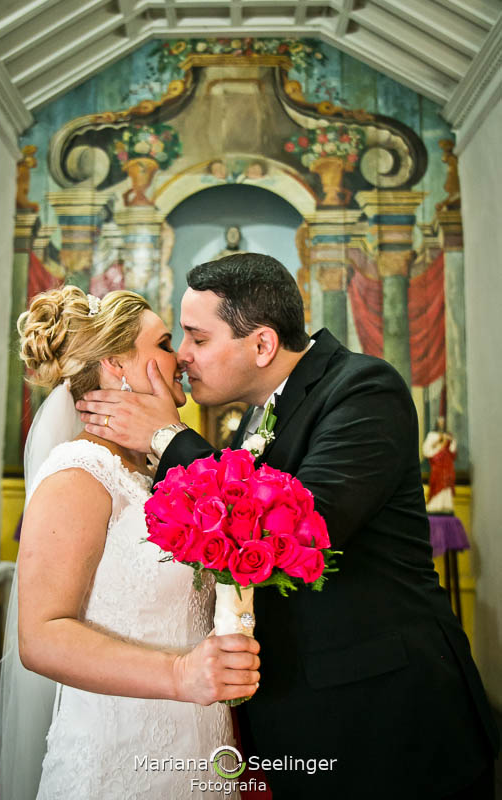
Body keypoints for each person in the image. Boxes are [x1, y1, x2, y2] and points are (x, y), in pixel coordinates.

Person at [77, 253, 499, 799]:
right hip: (303, 715)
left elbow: (301, 528)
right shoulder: (251, 420)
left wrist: (168, 439)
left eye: (197, 338)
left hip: (389, 719)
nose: (182, 355)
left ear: (262, 345)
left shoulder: (363, 389)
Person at [0, 286, 260, 800]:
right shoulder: (78, 472)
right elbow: (42, 637)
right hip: (117, 761)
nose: (182, 357)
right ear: (116, 364)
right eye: (164, 343)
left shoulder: (154, 474)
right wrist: (180, 675)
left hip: (197, 748)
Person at [423, 415, 458, 513]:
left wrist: (451, 440)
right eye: (440, 422)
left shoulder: (448, 435)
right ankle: (435, 504)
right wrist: (438, 440)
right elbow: (426, 450)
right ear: (437, 424)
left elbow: (452, 450)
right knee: (436, 482)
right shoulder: (432, 435)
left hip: (447, 464)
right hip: (437, 463)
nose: (441, 424)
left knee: (446, 483)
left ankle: (446, 504)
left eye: (443, 423)